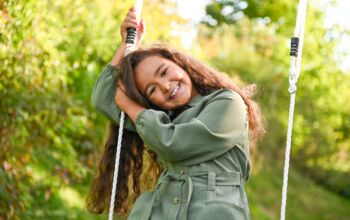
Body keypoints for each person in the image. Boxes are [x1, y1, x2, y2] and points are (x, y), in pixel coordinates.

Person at [87, 7, 265, 220]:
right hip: (162, 211)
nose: (164, 85)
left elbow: (174, 144)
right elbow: (104, 98)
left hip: (212, 212)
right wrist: (127, 45)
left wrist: (132, 107)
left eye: (164, 72)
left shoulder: (227, 103)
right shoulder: (157, 119)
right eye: (151, 90)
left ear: (180, 64)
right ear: (150, 101)